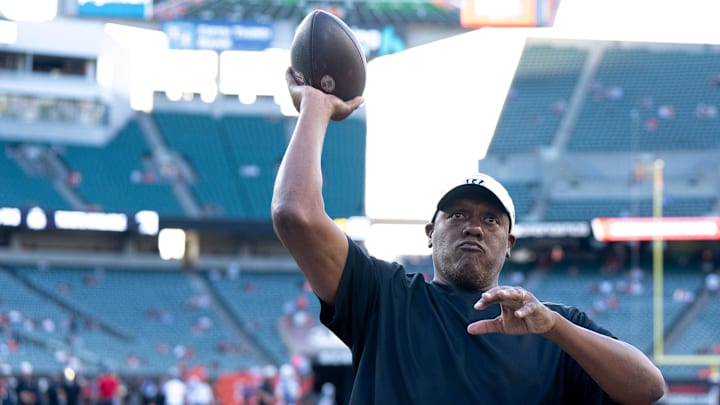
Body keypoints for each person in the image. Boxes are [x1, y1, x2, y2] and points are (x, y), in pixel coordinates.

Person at [271, 67, 666, 404]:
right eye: (457, 214)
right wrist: (315, 107)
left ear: (510, 244)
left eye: (492, 220)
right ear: (430, 232)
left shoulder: (552, 327)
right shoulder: (383, 298)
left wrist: (554, 328)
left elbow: (648, 388)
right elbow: (295, 213)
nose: (474, 226)